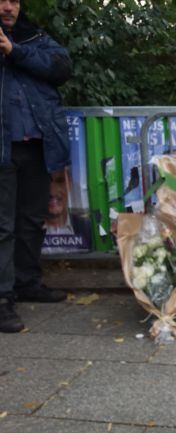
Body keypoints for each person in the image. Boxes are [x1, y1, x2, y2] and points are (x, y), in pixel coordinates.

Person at [0, 0, 72, 333]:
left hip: (35, 146)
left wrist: (14, 50)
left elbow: (61, 68)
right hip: (3, 149)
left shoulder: (34, 39)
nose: (7, 6)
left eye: (13, 0)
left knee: (31, 218)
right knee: (3, 226)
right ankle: (2, 299)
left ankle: (27, 282)